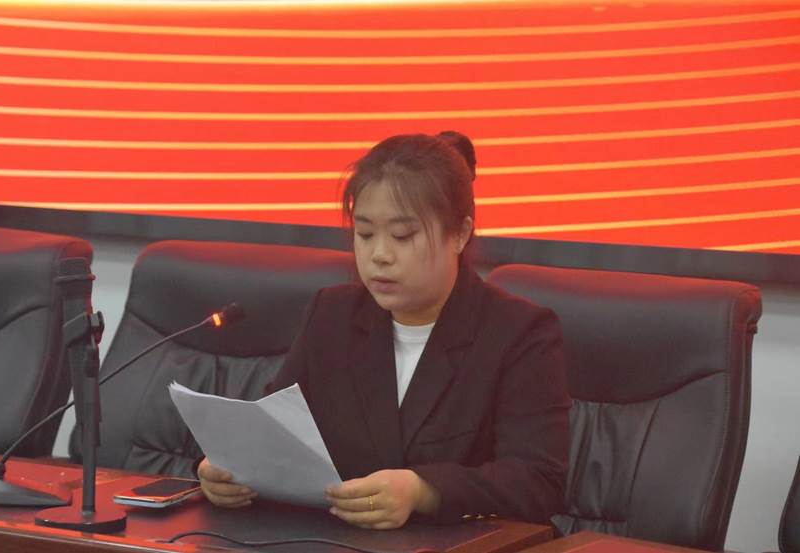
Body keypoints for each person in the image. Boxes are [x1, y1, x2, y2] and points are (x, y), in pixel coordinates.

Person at [197, 133, 570, 529]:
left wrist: (423, 491)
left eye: (402, 236)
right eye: (365, 234)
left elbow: (537, 481)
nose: (379, 255)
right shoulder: (332, 315)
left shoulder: (518, 332)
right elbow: (274, 431)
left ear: (460, 234)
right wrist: (227, 467)